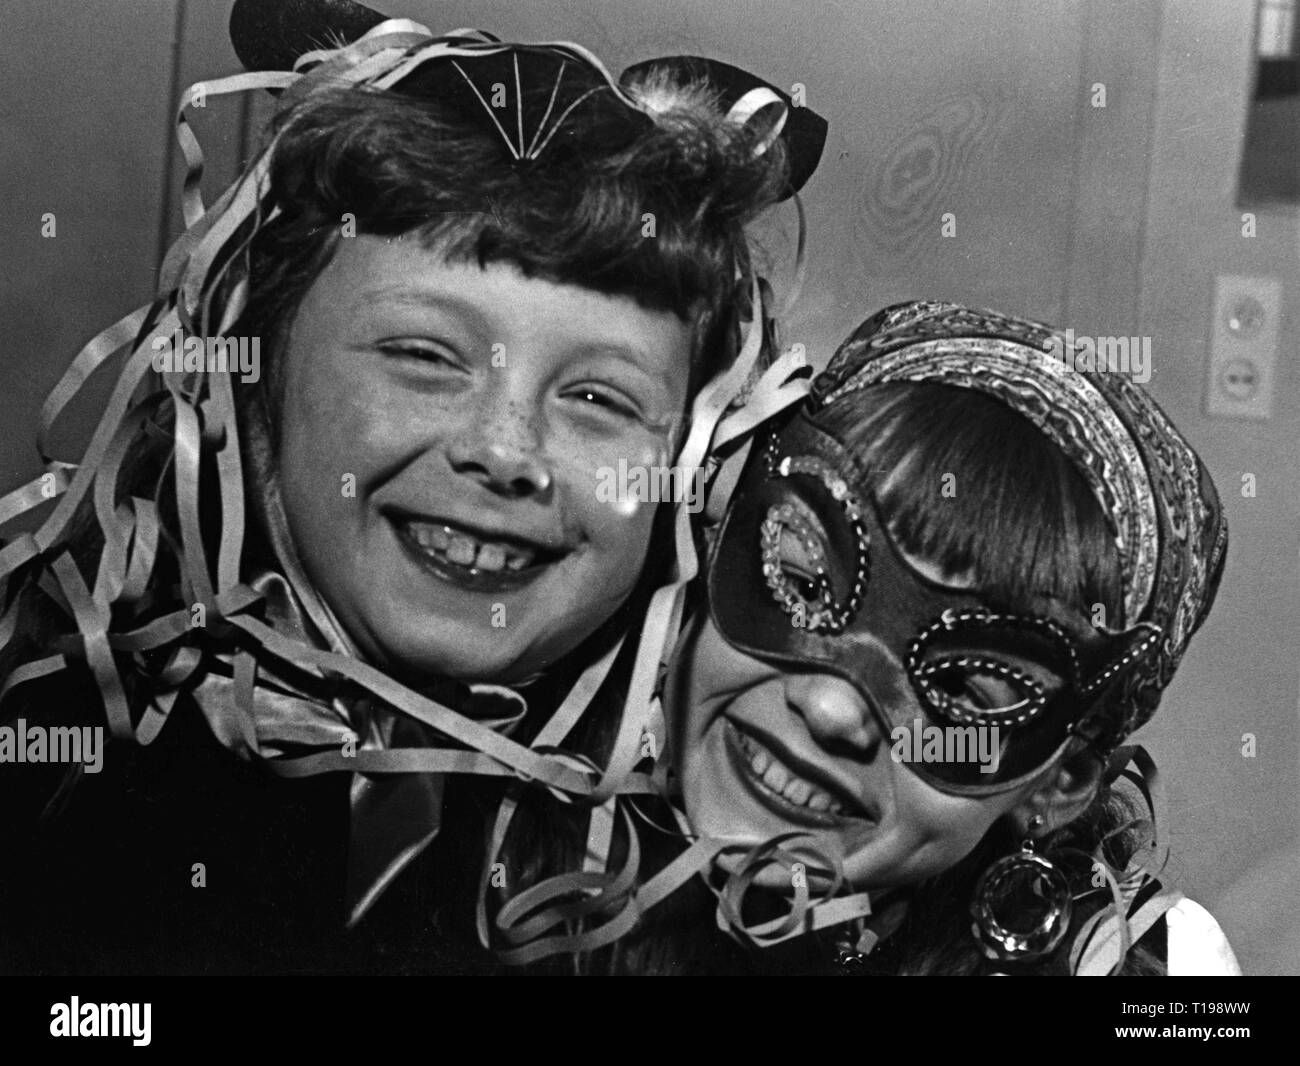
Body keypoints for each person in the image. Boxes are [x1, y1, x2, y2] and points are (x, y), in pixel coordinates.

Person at [0, 2, 824, 974]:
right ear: (244, 386)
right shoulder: (45, 786)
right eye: (426, 355)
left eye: (599, 394)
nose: (504, 451)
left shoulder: (722, 890)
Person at [510, 300, 1238, 975]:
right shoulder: (469, 843)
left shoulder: (1152, 971)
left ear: (1062, 780)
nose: (831, 710)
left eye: (964, 688)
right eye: (801, 582)